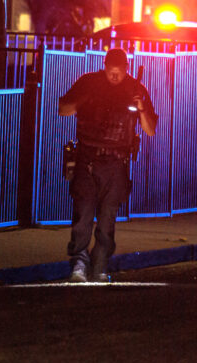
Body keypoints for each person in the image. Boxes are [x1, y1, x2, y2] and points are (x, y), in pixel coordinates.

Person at [57, 47, 158, 282]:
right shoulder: (89, 82)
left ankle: (100, 266)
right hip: (87, 160)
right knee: (83, 216)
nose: (114, 77)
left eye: (118, 72)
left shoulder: (136, 89)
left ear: (126, 69)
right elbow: (63, 109)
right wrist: (87, 98)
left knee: (107, 219)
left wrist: (141, 108)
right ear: (104, 66)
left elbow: (150, 129)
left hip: (115, 163)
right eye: (110, 72)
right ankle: (79, 265)